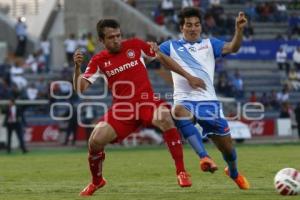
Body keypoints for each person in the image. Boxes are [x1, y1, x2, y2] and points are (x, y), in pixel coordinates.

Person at [73, 19, 206, 196]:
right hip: (123, 109)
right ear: (101, 41)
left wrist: (188, 77)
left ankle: (181, 171)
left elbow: (162, 57)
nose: (116, 40)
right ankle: (97, 181)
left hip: (147, 102)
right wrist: (77, 68)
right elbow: (80, 88)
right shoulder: (99, 60)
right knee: (95, 141)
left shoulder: (135, 45)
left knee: (165, 118)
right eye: (111, 37)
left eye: (118, 35)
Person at [159, 7, 250, 189]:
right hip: (185, 100)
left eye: (197, 25)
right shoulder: (169, 46)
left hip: (210, 104)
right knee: (177, 111)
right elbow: (153, 57)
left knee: (228, 150)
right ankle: (204, 157)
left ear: (201, 27)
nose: (193, 28)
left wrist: (239, 30)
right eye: (188, 25)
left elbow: (233, 47)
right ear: (181, 27)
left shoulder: (210, 44)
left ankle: (233, 172)